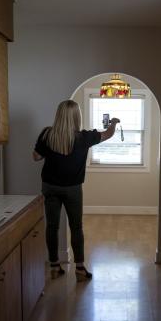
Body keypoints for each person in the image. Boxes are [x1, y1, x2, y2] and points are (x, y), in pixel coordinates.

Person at [33, 99, 120, 281]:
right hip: (72, 189)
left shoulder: (47, 134)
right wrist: (113, 122)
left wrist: (48, 151)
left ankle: (54, 266)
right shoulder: (84, 137)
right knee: (76, 227)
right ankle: (80, 269)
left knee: (52, 226)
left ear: (58, 115)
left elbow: (36, 157)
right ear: (76, 117)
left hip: (50, 187)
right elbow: (109, 134)